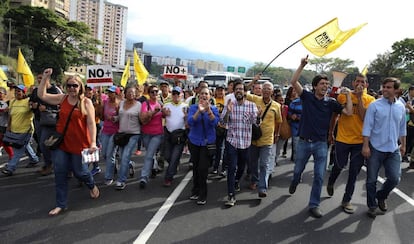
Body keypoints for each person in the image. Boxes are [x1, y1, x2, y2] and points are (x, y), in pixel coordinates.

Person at [288, 56, 353, 218]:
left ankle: (314, 204)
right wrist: (301, 65)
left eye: (327, 84)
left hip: (321, 144)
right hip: (303, 142)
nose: (325, 86)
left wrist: (349, 96)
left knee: (318, 175)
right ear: (315, 86)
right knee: (297, 171)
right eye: (322, 84)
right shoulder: (307, 97)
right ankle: (295, 181)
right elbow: (294, 81)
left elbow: (348, 112)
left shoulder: (331, 102)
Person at [37, 68, 100, 216]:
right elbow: (42, 95)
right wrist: (45, 77)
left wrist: (92, 143)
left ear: (80, 87)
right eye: (69, 85)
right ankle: (61, 204)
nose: (72, 88)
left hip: (80, 144)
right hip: (62, 143)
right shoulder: (62, 98)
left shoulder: (86, 102)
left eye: (75, 86)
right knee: (60, 172)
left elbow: (91, 124)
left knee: (80, 172)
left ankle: (91, 184)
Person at [326, 74, 375, 214]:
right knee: (339, 166)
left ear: (366, 85)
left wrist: (359, 98)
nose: (360, 84)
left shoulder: (370, 100)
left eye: (363, 82)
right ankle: (331, 181)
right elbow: (335, 115)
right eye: (357, 81)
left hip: (359, 142)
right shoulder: (343, 96)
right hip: (342, 139)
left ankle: (346, 200)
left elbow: (364, 117)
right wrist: (330, 132)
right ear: (353, 83)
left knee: (354, 172)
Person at [362, 77, 406, 218]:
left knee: (394, 179)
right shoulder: (375, 105)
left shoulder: (401, 107)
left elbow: (402, 128)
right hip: (375, 148)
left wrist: (403, 145)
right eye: (384, 87)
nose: (385, 89)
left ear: (397, 90)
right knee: (371, 180)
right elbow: (367, 126)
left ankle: (381, 196)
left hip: (393, 149)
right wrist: (366, 146)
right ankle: (372, 206)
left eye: (389, 87)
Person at [221, 81, 258, 207]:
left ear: (244, 91)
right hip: (232, 141)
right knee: (231, 168)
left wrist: (259, 117)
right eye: (236, 89)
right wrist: (228, 112)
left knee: (241, 167)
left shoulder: (252, 106)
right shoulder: (229, 104)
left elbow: (256, 122)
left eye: (241, 89)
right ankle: (231, 195)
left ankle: (237, 181)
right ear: (233, 91)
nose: (238, 91)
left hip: (246, 142)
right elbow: (223, 122)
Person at [246, 80, 281, 197]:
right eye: (264, 88)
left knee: (264, 164)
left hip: (267, 140)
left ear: (272, 91)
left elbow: (279, 121)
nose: (266, 90)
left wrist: (277, 134)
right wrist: (254, 81)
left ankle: (262, 188)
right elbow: (244, 91)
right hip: (254, 138)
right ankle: (254, 180)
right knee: (253, 163)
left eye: (268, 89)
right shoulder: (255, 99)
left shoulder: (277, 106)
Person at [187, 87, 219, 205]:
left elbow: (215, 123)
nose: (204, 96)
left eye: (206, 94)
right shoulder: (193, 108)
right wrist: (199, 112)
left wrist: (208, 111)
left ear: (210, 96)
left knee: (203, 168)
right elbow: (190, 122)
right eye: (202, 94)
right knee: (195, 167)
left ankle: (202, 194)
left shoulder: (214, 109)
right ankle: (195, 190)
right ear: (198, 95)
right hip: (194, 141)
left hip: (207, 143)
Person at [1, 84, 40, 176]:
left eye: (19, 91)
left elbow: (35, 108)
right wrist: (9, 127)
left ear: (23, 93)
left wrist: (35, 104)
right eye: (16, 91)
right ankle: (34, 159)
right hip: (14, 130)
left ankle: (10, 168)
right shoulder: (13, 102)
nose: (17, 93)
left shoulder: (28, 102)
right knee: (24, 146)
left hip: (26, 130)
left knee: (17, 150)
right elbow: (10, 115)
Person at [30, 73, 62, 176]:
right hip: (39, 120)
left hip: (51, 121)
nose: (40, 80)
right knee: (41, 143)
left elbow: (61, 106)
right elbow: (32, 103)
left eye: (42, 78)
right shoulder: (36, 91)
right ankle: (48, 164)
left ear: (47, 79)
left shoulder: (55, 90)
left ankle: (51, 165)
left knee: (47, 144)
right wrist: (33, 106)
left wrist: (47, 109)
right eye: (39, 78)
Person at [114, 86, 141, 190]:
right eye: (129, 92)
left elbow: (142, 118)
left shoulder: (139, 105)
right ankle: (130, 164)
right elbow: (120, 116)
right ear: (125, 93)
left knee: (125, 156)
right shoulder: (121, 103)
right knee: (122, 157)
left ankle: (121, 180)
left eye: (133, 92)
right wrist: (114, 118)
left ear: (136, 94)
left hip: (134, 134)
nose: (131, 94)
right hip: (122, 134)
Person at [138, 85, 164, 188]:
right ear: (149, 94)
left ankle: (144, 177)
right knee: (151, 153)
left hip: (157, 134)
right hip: (146, 133)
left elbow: (166, 115)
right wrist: (154, 112)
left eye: (156, 92)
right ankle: (154, 166)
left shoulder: (161, 104)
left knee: (148, 155)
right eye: (152, 92)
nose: (154, 94)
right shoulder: (145, 104)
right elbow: (143, 117)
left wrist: (165, 113)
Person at [163, 86, 188, 186]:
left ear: (181, 95)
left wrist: (186, 117)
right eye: (174, 94)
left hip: (180, 135)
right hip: (168, 134)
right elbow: (162, 115)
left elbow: (188, 121)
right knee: (167, 156)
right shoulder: (167, 105)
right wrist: (164, 113)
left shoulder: (185, 106)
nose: (176, 96)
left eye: (178, 94)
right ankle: (174, 166)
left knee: (174, 157)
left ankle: (168, 177)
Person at [101, 85, 121, 186]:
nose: (109, 94)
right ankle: (115, 165)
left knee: (110, 154)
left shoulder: (120, 105)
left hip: (115, 132)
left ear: (116, 94)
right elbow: (101, 115)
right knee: (104, 153)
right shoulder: (105, 103)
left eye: (112, 92)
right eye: (108, 92)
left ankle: (109, 176)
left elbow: (122, 117)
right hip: (105, 130)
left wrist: (114, 118)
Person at [0, 87, 13, 161]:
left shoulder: (8, 103)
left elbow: (11, 115)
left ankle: (12, 156)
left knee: (5, 142)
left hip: (4, 125)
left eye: (0, 93)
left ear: (5, 94)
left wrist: (9, 125)